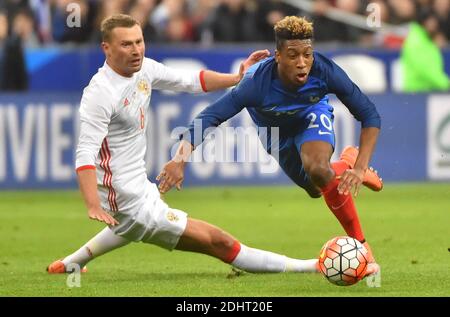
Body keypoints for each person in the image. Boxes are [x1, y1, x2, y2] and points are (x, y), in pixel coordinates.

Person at [47, 14, 318, 275]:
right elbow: (85, 152)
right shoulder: (100, 93)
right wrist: (93, 204)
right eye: (126, 44)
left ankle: (71, 263)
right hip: (123, 198)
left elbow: (191, 81)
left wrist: (236, 79)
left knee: (129, 226)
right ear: (106, 48)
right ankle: (312, 266)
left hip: (139, 187)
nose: (136, 50)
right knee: (219, 242)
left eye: (139, 41)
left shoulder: (145, 69)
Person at [157, 16, 383, 278]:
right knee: (315, 188)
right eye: (293, 55)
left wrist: (364, 165)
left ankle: (364, 250)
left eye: (307, 55)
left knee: (319, 170)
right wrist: (179, 159)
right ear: (277, 56)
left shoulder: (325, 71)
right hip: (275, 134)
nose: (302, 63)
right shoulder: (255, 83)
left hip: (311, 115)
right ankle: (346, 164)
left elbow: (369, 115)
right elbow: (210, 116)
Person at [400, 8, 450, 92]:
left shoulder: (425, 39)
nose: (435, 24)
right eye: (433, 21)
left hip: (426, 90)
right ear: (425, 21)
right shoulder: (416, 41)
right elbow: (425, 70)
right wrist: (446, 84)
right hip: (417, 93)